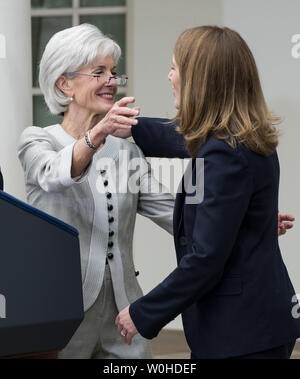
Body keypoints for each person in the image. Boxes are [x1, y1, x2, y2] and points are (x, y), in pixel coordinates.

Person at [115, 26, 300, 359]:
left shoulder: (224, 153)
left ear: (199, 79)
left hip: (241, 335)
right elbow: (191, 138)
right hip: (262, 322)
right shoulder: (245, 134)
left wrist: (143, 313)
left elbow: (206, 260)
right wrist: (130, 127)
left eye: (174, 68)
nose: (169, 76)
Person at [18, 24, 174, 359]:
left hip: (125, 311)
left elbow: (174, 213)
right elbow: (53, 174)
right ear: (65, 83)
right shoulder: (37, 140)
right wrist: (97, 134)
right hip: (59, 308)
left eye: (114, 73)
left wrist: (248, 219)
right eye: (98, 72)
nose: (111, 81)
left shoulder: (127, 152)